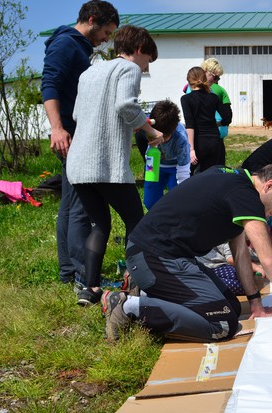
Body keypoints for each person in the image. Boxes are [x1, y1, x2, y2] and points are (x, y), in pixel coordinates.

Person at [100, 164, 272, 342]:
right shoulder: (246, 196)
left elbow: (241, 254)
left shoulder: (234, 180)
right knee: (222, 323)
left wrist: (255, 303)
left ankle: (147, 292)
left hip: (158, 255)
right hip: (153, 257)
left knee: (231, 308)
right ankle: (129, 307)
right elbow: (267, 257)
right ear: (269, 185)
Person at [67, 25, 163, 306]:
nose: (144, 69)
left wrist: (126, 125)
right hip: (105, 163)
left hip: (79, 163)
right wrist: (150, 130)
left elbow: (78, 113)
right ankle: (135, 282)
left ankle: (90, 288)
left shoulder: (90, 71)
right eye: (147, 61)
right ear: (139, 50)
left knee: (99, 225)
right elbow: (125, 105)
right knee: (136, 220)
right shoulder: (128, 69)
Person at [41, 0, 119, 288]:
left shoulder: (80, 47)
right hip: (70, 134)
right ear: (91, 19)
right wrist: (57, 128)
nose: (107, 39)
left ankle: (69, 272)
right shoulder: (66, 44)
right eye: (106, 32)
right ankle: (82, 277)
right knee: (81, 207)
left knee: (69, 203)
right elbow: (49, 85)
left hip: (76, 132)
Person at [181, 66, 232, 173]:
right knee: (212, 176)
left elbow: (190, 125)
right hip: (214, 141)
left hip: (198, 142)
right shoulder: (213, 97)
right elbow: (227, 117)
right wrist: (218, 123)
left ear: (189, 81)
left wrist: (191, 149)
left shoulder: (186, 99)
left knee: (187, 174)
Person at [143, 100, 192, 210]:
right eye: (156, 135)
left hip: (175, 168)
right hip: (155, 166)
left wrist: (183, 191)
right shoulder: (147, 125)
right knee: (150, 202)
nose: (161, 140)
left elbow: (184, 170)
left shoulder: (180, 139)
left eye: (164, 137)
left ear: (173, 130)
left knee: (178, 200)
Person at [201, 58, 233, 140]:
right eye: (215, 77)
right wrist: (218, 124)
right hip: (214, 135)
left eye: (218, 78)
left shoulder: (188, 89)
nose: (216, 81)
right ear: (205, 72)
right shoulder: (219, 90)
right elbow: (227, 117)